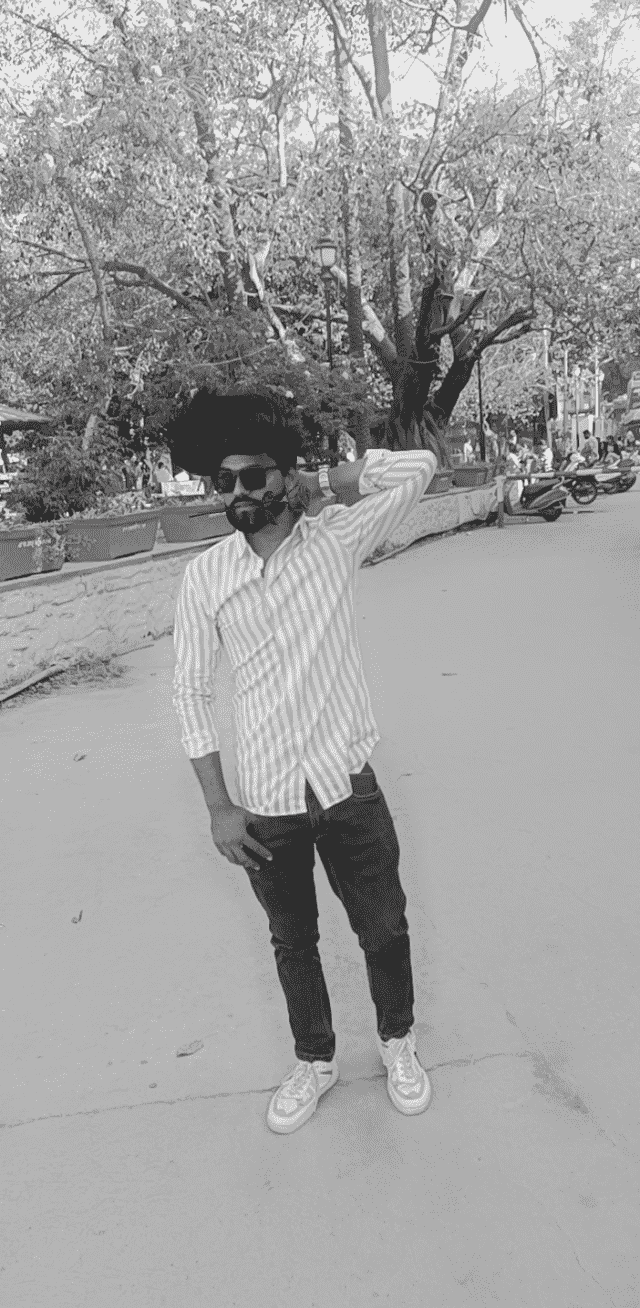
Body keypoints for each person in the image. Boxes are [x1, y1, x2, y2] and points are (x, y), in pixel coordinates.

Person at [172, 392, 436, 1135]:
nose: (236, 493)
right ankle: (315, 1061)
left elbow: (419, 467)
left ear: (283, 474)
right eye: (223, 481)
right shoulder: (205, 577)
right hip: (266, 801)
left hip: (346, 785)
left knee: (383, 928)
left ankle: (398, 1043)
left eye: (253, 476)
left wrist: (324, 482)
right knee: (292, 941)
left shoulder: (336, 540)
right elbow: (190, 692)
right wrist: (219, 807)